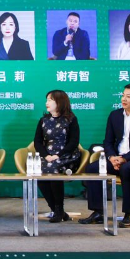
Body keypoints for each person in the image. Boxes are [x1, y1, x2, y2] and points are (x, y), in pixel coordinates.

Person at [79, 83, 130, 227]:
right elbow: (108, 141)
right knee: (93, 168)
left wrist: (124, 159)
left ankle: (129, 214)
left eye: (129, 96)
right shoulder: (114, 115)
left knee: (127, 169)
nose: (124, 99)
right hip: (117, 157)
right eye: (123, 95)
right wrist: (112, 157)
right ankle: (98, 212)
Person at [34, 89, 81, 223]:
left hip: (67, 156)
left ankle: (59, 209)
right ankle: (57, 210)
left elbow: (74, 142)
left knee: (53, 169)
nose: (47, 103)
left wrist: (58, 155)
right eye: (47, 100)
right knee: (38, 172)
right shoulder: (43, 120)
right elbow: (37, 142)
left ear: (60, 102)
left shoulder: (71, 119)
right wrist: (46, 155)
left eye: (50, 100)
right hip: (48, 156)